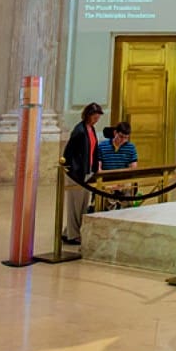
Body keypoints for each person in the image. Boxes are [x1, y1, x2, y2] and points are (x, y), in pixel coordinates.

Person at [62, 101, 104, 245]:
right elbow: (69, 153)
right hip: (77, 173)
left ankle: (71, 231)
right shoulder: (79, 131)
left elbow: (94, 149)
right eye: (95, 116)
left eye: (98, 117)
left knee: (83, 204)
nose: (97, 119)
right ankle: (73, 235)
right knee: (75, 204)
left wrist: (95, 166)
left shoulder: (91, 130)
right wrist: (74, 170)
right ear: (88, 115)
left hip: (87, 172)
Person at [97, 121, 138, 208]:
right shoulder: (102, 146)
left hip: (123, 181)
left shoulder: (131, 147)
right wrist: (110, 185)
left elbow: (133, 169)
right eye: (121, 137)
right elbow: (98, 168)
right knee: (107, 198)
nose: (123, 140)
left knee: (128, 191)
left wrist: (121, 184)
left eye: (126, 138)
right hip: (107, 180)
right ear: (115, 133)